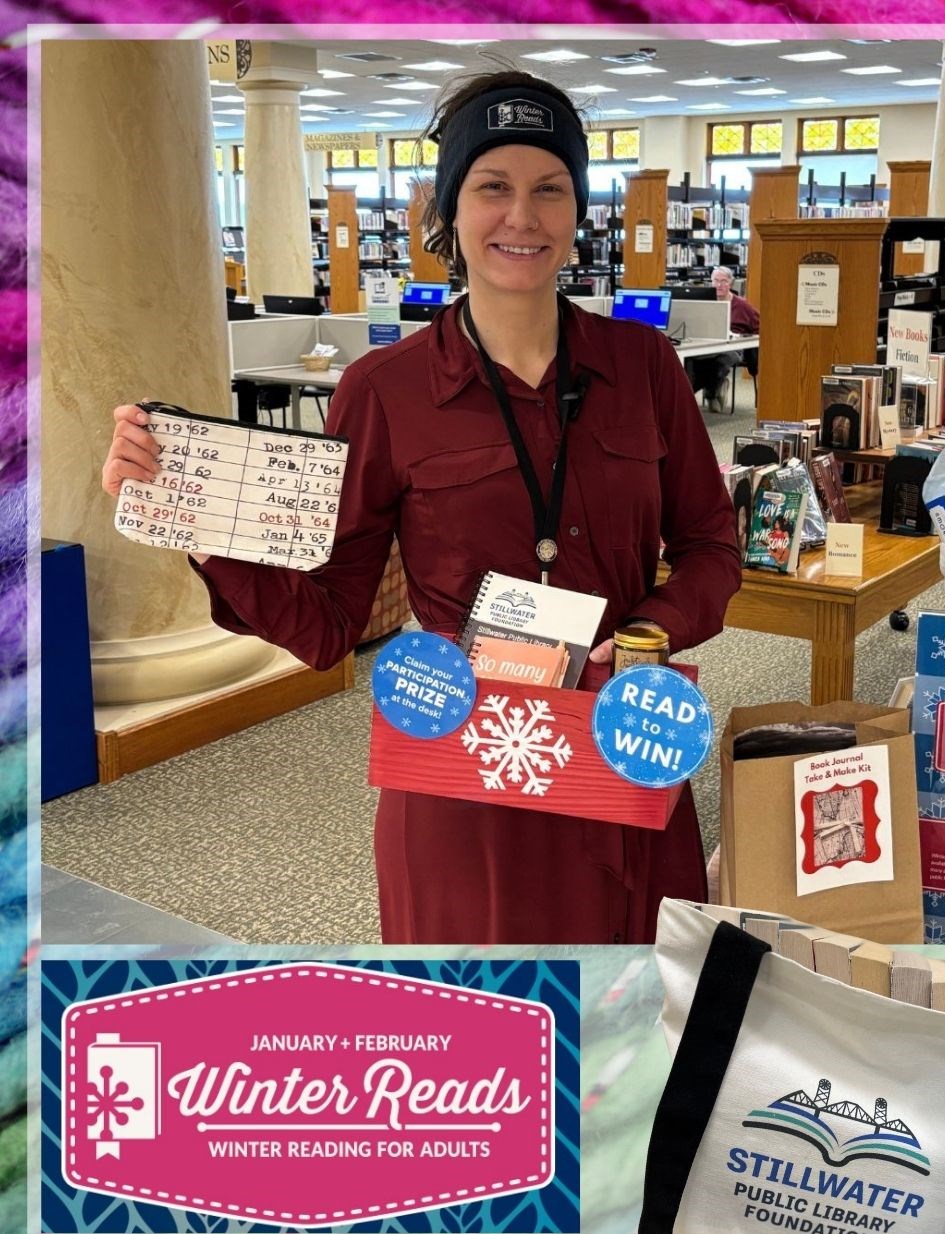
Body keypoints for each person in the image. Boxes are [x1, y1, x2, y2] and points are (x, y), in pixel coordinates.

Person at [102, 70, 742, 946]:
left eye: (549, 189)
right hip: (460, 761)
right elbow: (332, 620)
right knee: (482, 1027)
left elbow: (711, 544)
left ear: (576, 210)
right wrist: (200, 522)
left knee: (627, 1023)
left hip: (617, 740)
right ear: (448, 212)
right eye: (493, 188)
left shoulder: (644, 367)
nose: (523, 216)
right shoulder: (384, 390)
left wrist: (646, 635)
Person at [703, 265, 760, 414]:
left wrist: (748, 340)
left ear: (731, 283)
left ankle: (711, 394)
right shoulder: (704, 302)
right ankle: (709, 388)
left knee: (721, 360)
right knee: (693, 361)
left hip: (734, 347)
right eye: (716, 281)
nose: (719, 285)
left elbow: (760, 326)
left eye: (724, 281)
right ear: (711, 282)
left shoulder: (742, 306)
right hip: (707, 344)